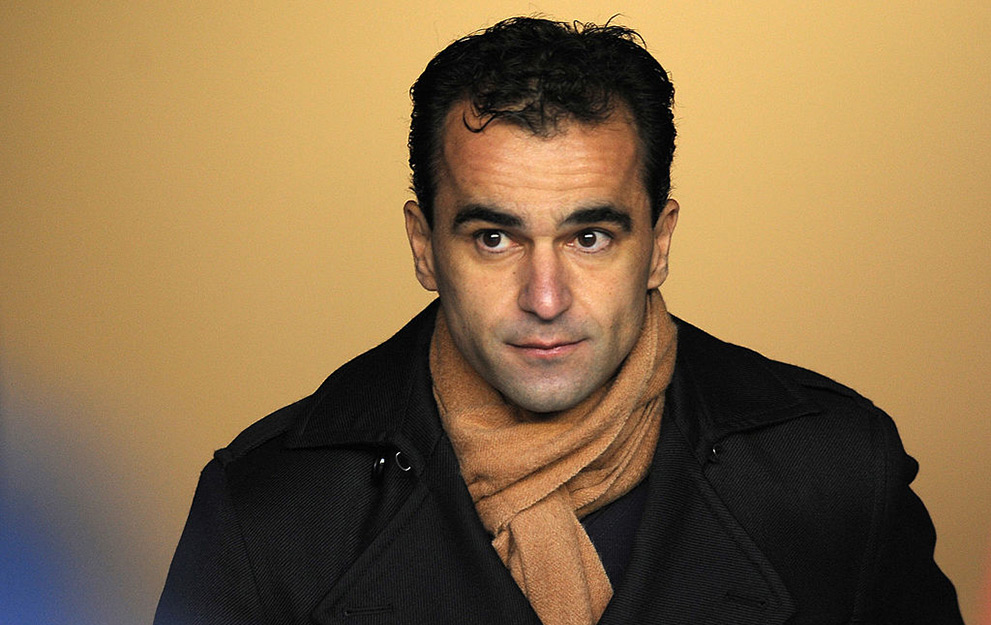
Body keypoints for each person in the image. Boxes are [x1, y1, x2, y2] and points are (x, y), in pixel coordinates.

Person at [155, 17, 964, 625]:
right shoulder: (269, 511)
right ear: (424, 247)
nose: (545, 297)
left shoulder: (835, 473)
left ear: (657, 244)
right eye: (494, 237)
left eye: (589, 236)